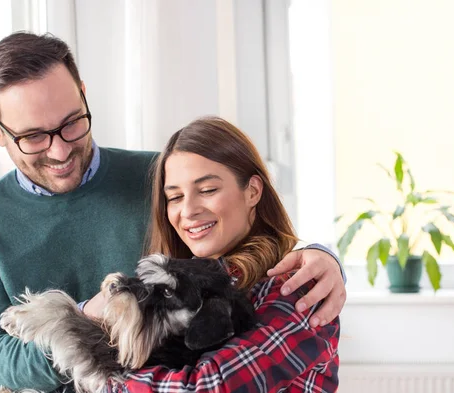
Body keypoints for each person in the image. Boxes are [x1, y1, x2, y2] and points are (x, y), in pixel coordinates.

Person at [0, 32, 345, 393]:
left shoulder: (160, 177)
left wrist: (322, 254)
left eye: (72, 124)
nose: (60, 151)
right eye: (33, 136)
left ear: (84, 95)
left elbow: (246, 233)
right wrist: (88, 319)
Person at [107, 116, 339, 392]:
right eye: (175, 197)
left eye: (207, 190)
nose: (189, 210)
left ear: (252, 191)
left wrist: (105, 378)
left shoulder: (297, 286)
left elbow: (211, 386)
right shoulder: (180, 289)